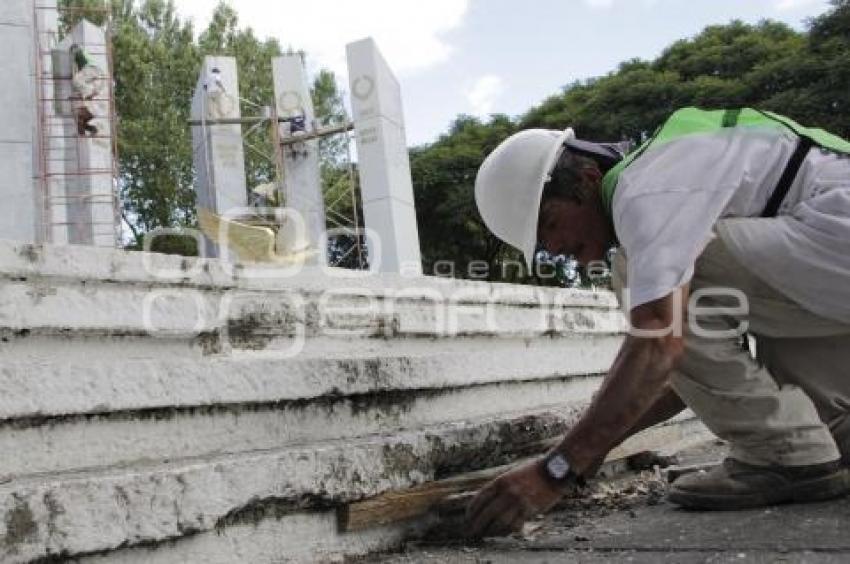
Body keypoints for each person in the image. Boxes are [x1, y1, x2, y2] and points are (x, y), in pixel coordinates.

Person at [468, 107, 850, 537]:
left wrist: (555, 472)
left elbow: (660, 345)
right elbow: (691, 377)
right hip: (831, 271)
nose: (556, 247)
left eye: (551, 223)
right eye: (542, 245)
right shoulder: (679, 177)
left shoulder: (644, 190)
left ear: (589, 178)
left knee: (636, 275)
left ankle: (783, 452)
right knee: (831, 437)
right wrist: (591, 445)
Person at [69, 45, 104, 137]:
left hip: (92, 68)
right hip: (94, 71)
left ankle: (85, 132)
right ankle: (89, 131)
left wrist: (84, 94)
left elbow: (77, 73)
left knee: (76, 80)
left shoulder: (79, 53)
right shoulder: (84, 60)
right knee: (80, 121)